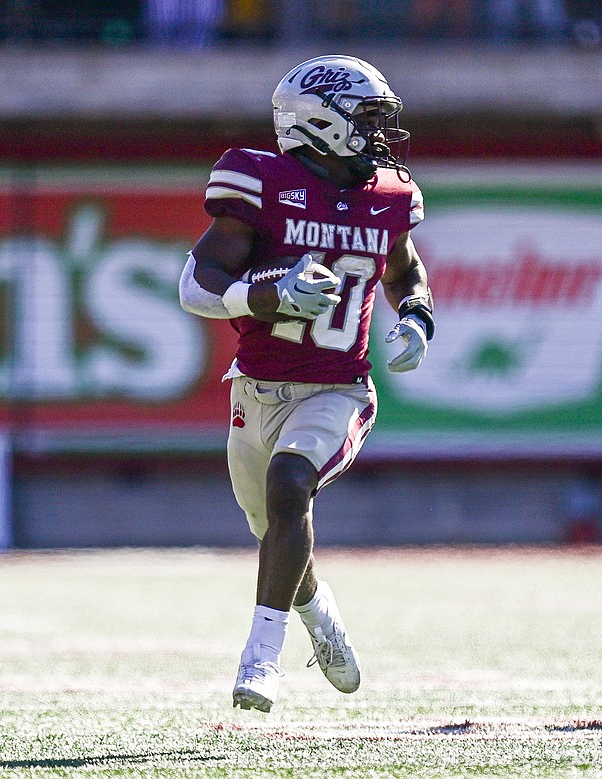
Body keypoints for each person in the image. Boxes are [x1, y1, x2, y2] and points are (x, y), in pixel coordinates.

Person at [179, 55, 434, 713]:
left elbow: (403, 268)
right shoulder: (261, 183)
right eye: (367, 118)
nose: (381, 134)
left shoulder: (388, 195)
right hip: (255, 389)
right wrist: (265, 297)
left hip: (339, 390)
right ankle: (318, 612)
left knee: (290, 485)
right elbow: (196, 285)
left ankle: (260, 661)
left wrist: (417, 317)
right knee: (274, 526)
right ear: (322, 121)